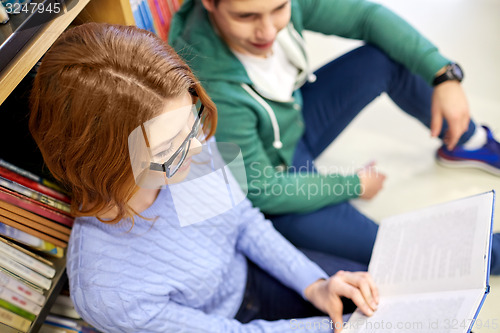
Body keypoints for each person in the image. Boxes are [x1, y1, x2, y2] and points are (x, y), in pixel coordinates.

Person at [29, 22, 379, 332]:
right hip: (227, 322)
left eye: (193, 121)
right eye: (171, 147)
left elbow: (244, 221)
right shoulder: (109, 290)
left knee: (382, 290)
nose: (199, 148)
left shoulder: (182, 141)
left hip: (249, 271)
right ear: (104, 161)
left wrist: (314, 284)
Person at [168, 0, 500, 272]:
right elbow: (262, 190)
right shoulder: (211, 82)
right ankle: (493, 255)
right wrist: (352, 184)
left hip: (291, 125)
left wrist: (443, 74)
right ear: (209, 3)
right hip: (270, 185)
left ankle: (466, 140)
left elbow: (367, 16)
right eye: (247, 16)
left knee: (385, 58)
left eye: (280, 8)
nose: (267, 30)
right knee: (396, 250)